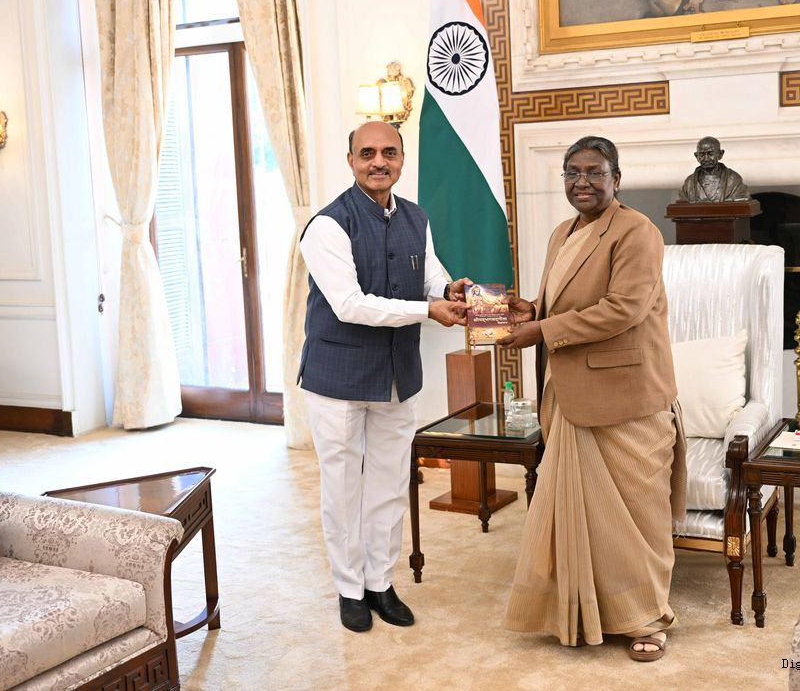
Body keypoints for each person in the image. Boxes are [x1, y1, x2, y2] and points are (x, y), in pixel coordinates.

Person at [498, 136, 679, 661]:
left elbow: (624, 308)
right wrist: (530, 309)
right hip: (572, 391)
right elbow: (564, 301)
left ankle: (648, 620)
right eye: (573, 172)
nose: (583, 182)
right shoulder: (563, 233)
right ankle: (583, 612)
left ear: (615, 179)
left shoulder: (638, 231)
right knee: (585, 517)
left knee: (638, 518)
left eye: (595, 172)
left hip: (627, 396)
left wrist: (541, 331)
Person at [298, 121, 469, 633]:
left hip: (397, 374)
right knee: (343, 488)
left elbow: (430, 273)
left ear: (401, 160)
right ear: (350, 160)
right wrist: (428, 309)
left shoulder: (416, 216)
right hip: (338, 379)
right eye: (367, 153)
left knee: (391, 485)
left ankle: (380, 582)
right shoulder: (327, 226)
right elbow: (350, 305)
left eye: (389, 153)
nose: (379, 162)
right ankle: (350, 589)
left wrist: (447, 289)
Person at [678, 135, 751, 202]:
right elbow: (682, 205)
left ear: (720, 154)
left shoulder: (733, 180)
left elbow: (742, 202)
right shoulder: (689, 183)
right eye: (702, 154)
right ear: (696, 156)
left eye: (710, 154)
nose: (706, 159)